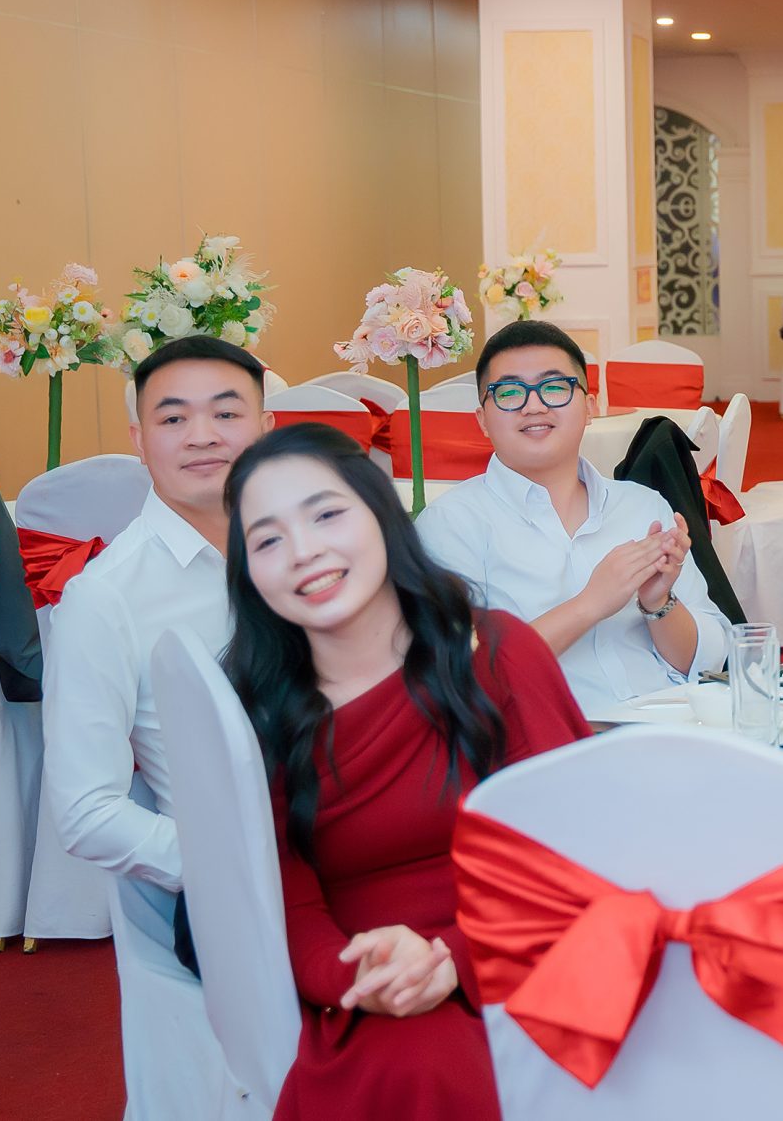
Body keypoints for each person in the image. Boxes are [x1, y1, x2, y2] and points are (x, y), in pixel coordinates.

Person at [223, 424, 590, 1121]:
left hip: (532, 945)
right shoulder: (260, 715)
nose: (303, 551)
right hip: (372, 981)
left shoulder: (496, 653)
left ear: (381, 514)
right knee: (419, 1065)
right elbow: (285, 905)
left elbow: (570, 854)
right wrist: (362, 977)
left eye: (326, 514)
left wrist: (453, 957)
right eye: (267, 540)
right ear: (248, 574)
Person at [44, 335, 274, 1119]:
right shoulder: (107, 596)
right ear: (138, 440)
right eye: (173, 418)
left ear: (268, 425)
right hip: (241, 902)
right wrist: (237, 865)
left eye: (226, 412)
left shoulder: (312, 553)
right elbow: (85, 811)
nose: (202, 435)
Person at [417, 319, 728, 715]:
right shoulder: (452, 524)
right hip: (553, 739)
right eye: (509, 392)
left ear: (589, 407)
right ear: (482, 420)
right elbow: (458, 678)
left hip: (671, 724)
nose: (534, 405)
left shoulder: (643, 507)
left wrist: (658, 602)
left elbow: (706, 661)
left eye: (554, 387)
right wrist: (590, 604)